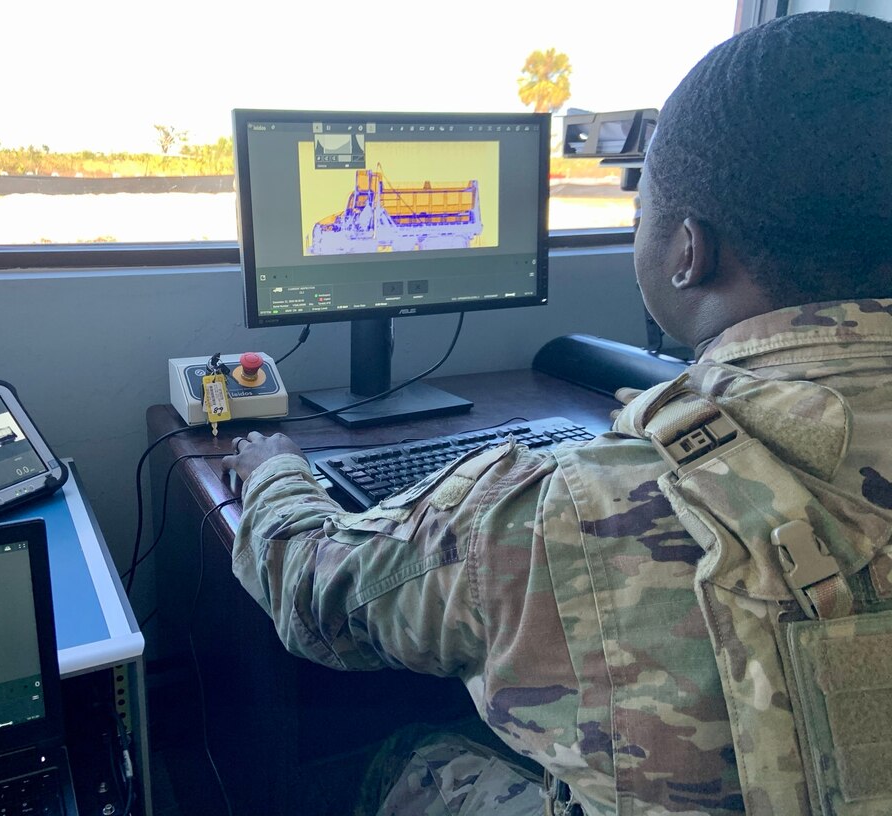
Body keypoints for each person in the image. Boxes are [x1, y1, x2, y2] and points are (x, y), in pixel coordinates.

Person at [223, 11, 892, 815]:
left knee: (409, 754)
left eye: (642, 210)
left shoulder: (563, 509)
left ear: (688, 251)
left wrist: (276, 474)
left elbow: (316, 596)